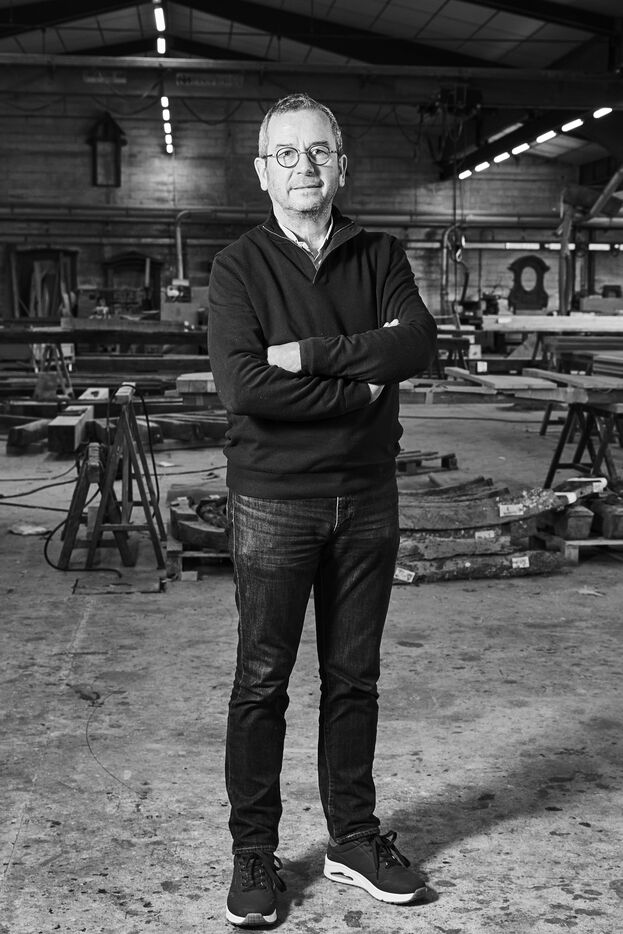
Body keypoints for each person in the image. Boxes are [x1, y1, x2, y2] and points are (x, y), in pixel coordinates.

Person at [207, 92, 437, 927]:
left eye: (318, 152)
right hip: (274, 501)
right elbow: (243, 387)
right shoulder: (237, 267)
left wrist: (305, 355)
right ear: (261, 171)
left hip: (367, 497)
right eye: (286, 153)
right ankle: (254, 852)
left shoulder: (379, 254)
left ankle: (353, 838)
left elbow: (416, 343)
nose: (303, 166)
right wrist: (358, 388)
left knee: (353, 678)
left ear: (341, 165)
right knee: (261, 681)